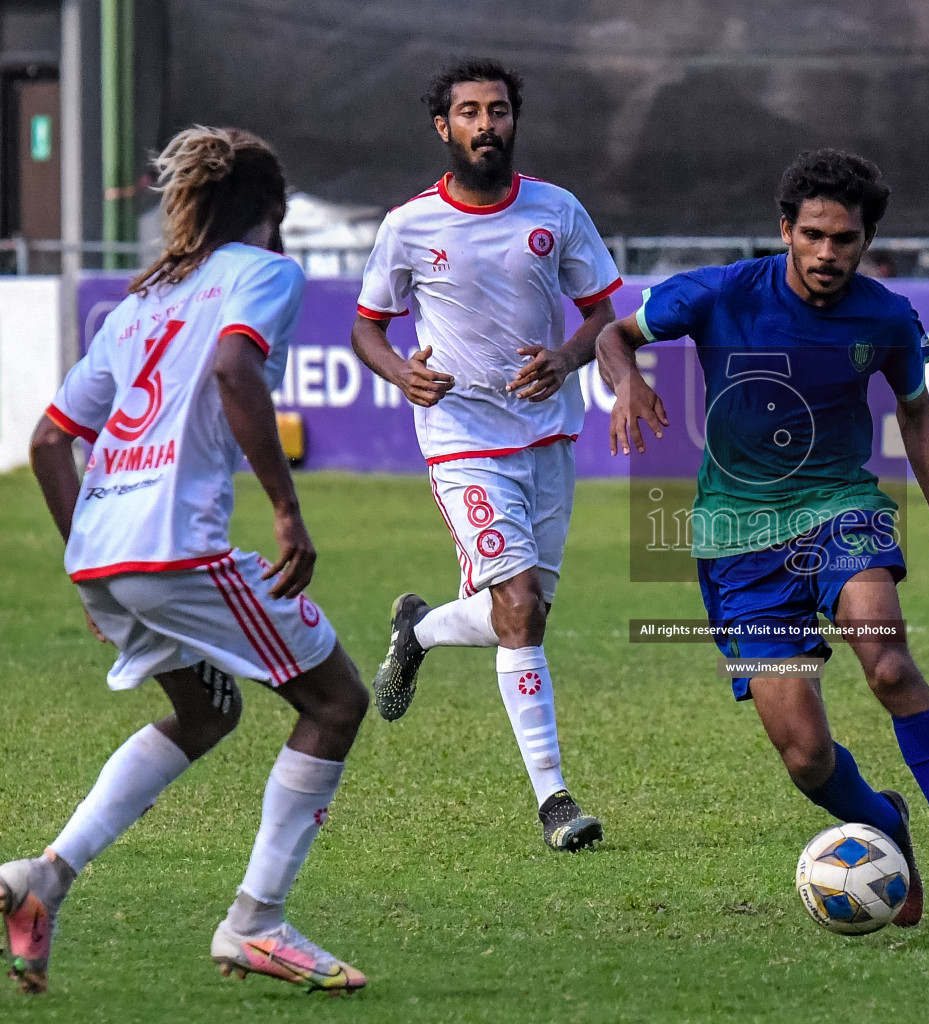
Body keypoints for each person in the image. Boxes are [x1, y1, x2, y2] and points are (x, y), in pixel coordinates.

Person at [596, 149, 929, 937]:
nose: (828, 253)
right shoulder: (721, 292)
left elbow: (917, 414)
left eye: (845, 240)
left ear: (865, 242)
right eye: (814, 235)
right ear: (785, 230)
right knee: (806, 758)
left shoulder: (886, 315)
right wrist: (628, 381)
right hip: (736, 542)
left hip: (839, 510)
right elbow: (611, 334)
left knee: (888, 665)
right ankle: (884, 820)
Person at [1, 127, 369, 994]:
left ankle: (41, 880)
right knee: (336, 699)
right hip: (176, 545)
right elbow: (237, 370)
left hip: (107, 558)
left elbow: (53, 440)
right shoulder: (264, 272)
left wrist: (89, 567)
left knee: (206, 713)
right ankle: (258, 921)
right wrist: (286, 508)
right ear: (271, 216)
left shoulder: (138, 302)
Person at [352, 59, 619, 852]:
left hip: (549, 435)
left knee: (526, 613)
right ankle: (556, 801)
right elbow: (367, 325)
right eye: (468, 111)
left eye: (497, 110)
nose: (485, 123)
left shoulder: (556, 210)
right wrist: (402, 370)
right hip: (463, 438)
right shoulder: (409, 225)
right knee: (519, 609)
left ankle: (421, 631)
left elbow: (602, 313)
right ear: (444, 127)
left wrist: (567, 360)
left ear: (512, 120)